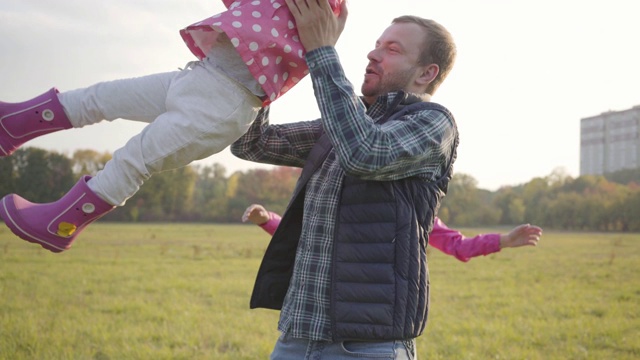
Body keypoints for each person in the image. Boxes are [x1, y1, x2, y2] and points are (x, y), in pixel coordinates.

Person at [0, 0, 344, 253]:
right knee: (101, 96)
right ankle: (12, 125)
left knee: (134, 158)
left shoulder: (328, 8)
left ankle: (60, 225)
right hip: (199, 75)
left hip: (224, 103)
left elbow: (312, 42)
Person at [231, 1, 456, 358]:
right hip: (294, 338)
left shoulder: (433, 123)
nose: (373, 53)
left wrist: (321, 50)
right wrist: (270, 61)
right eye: (377, 44)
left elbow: (365, 153)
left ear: (426, 73)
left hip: (367, 348)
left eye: (392, 49)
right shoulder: (346, 125)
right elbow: (252, 143)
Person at [242, 204, 543, 262]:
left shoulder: (413, 211)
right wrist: (266, 219)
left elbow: (457, 245)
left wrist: (503, 240)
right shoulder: (344, 198)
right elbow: (306, 233)